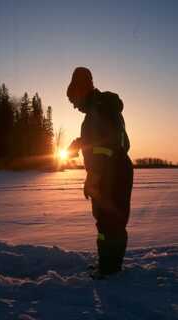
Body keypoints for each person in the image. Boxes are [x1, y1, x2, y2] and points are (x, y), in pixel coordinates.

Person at [67, 67, 133, 278]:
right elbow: (99, 139)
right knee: (107, 220)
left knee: (109, 221)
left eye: (73, 100)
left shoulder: (99, 109)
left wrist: (93, 179)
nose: (74, 106)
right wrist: (78, 144)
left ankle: (110, 269)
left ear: (81, 90)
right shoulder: (101, 109)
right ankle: (108, 264)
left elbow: (104, 148)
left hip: (112, 173)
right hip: (115, 170)